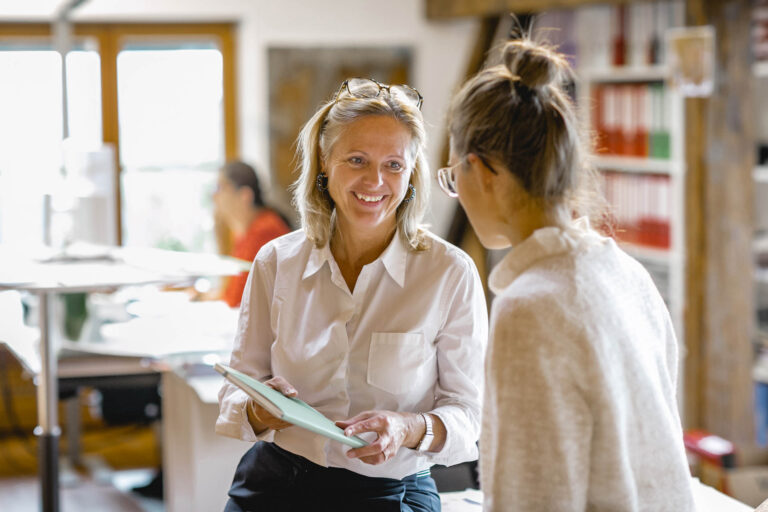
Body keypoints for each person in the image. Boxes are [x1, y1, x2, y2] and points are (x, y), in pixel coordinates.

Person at [439, 38, 696, 510]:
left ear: (480, 170)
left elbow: (532, 497)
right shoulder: (627, 273)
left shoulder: (531, 306)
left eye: (453, 176)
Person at [216, 78, 488, 511]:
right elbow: (236, 389)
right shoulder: (276, 262)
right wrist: (259, 410)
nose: (375, 181)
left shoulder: (449, 273)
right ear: (325, 161)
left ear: (412, 170)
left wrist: (408, 427)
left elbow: (468, 416)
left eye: (394, 165)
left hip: (390, 493)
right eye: (357, 160)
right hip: (275, 484)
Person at [212, 160, 291, 307]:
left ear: (244, 195)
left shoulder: (265, 230)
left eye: (220, 188)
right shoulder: (244, 230)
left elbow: (238, 298)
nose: (214, 197)